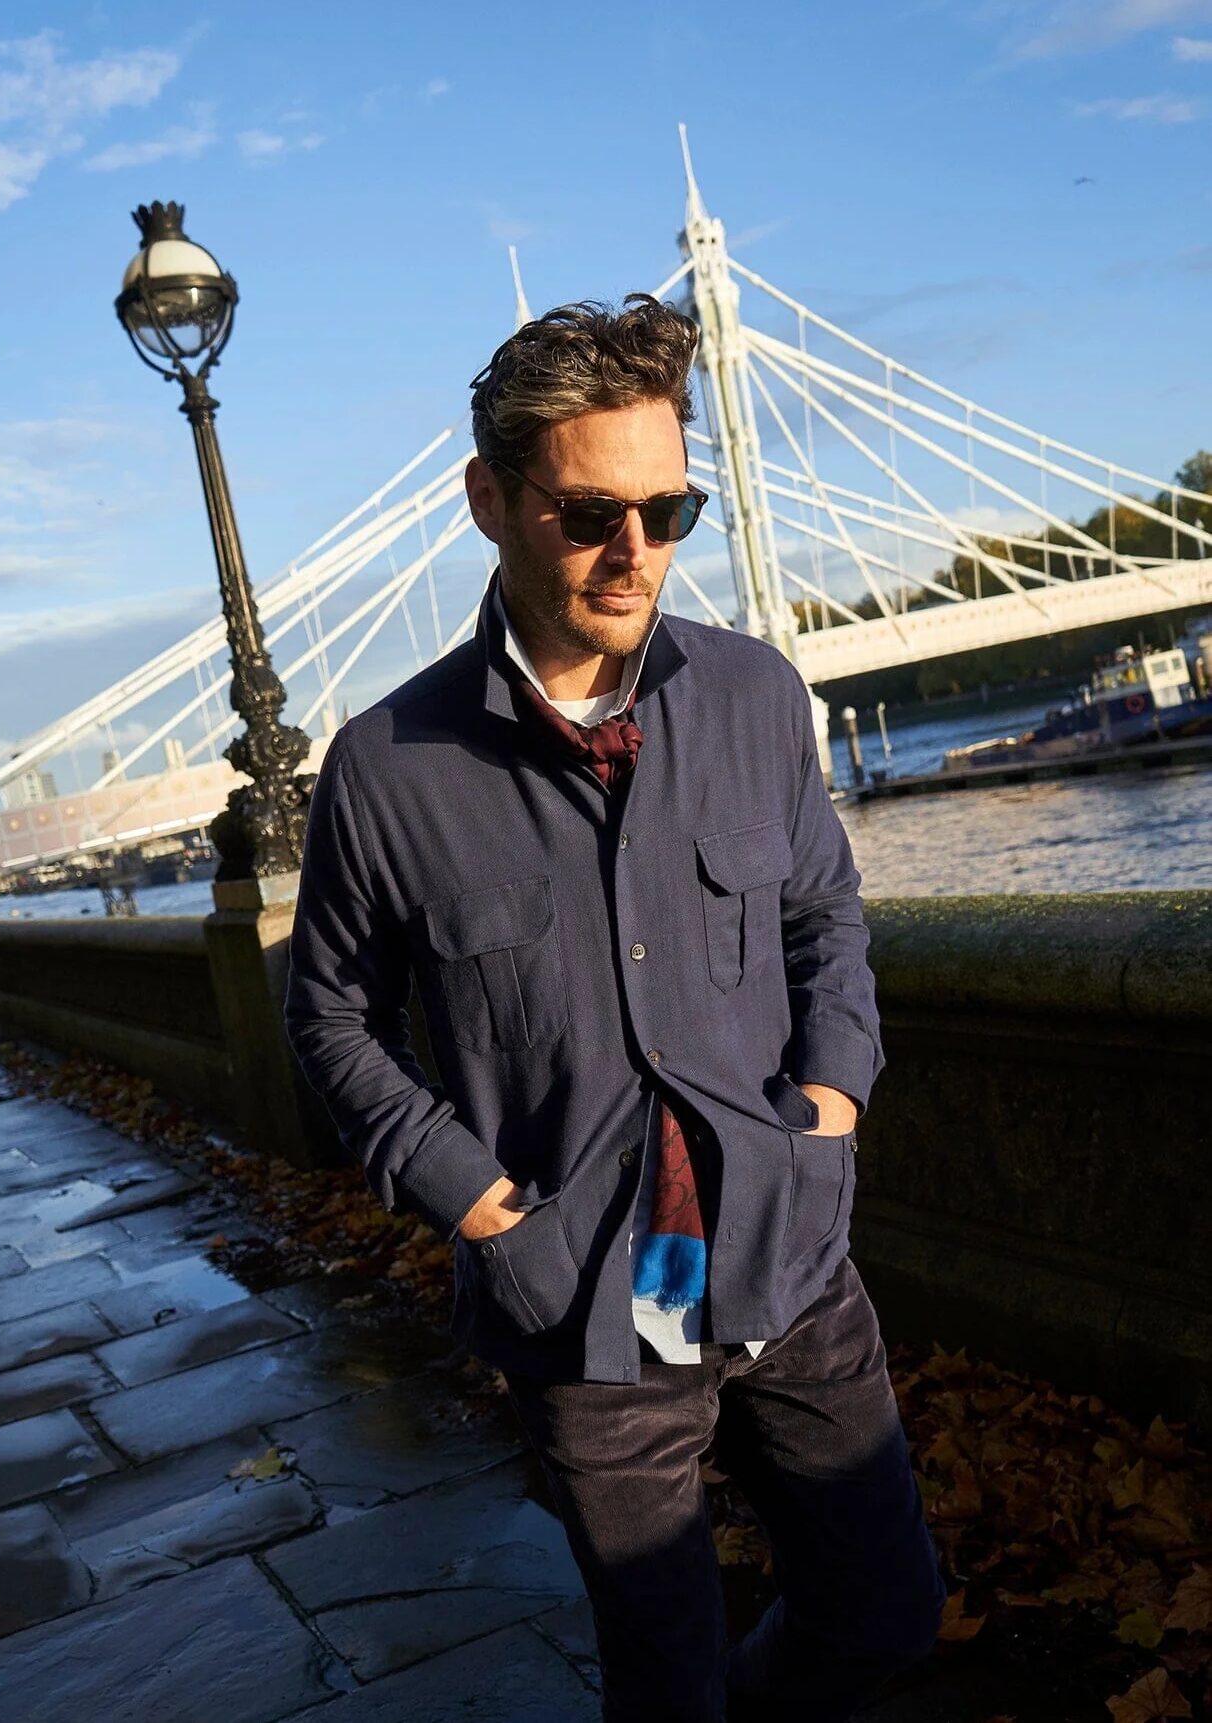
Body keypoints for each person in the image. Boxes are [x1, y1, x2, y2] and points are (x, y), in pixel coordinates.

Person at [283, 295, 946, 1722]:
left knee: (887, 1611)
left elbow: (825, 920)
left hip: (784, 1247)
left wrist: (824, 1116)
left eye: (671, 510)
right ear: (491, 500)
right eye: (591, 514)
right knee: (666, 1675)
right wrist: (480, 1207)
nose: (635, 553)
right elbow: (331, 1019)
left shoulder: (758, 696)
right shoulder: (388, 770)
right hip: (587, 1301)